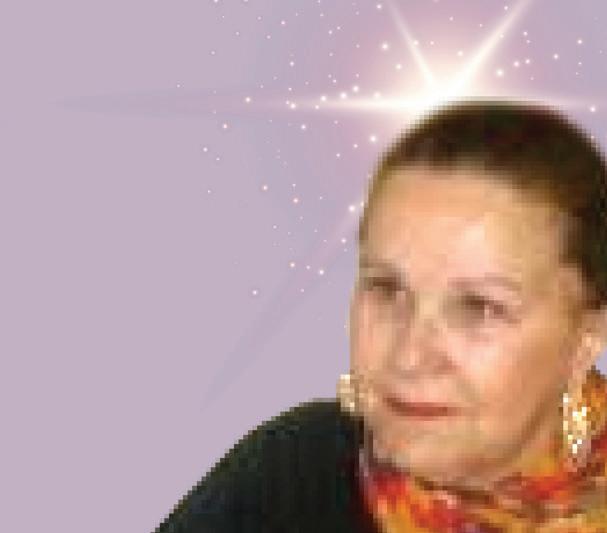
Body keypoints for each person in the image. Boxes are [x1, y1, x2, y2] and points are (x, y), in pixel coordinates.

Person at [154, 100, 607, 532]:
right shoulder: (291, 478)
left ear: (585, 341)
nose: (409, 356)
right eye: (387, 289)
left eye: (479, 308)